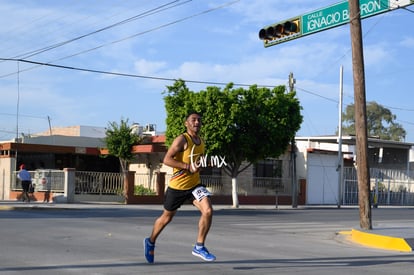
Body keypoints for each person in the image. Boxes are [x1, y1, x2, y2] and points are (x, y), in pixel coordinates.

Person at [143, 111, 216, 263]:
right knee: (166, 218)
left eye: (199, 120)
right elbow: (167, 159)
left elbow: (198, 164)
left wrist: (206, 164)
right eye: (193, 120)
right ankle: (150, 241)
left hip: (194, 185)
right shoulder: (182, 139)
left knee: (208, 210)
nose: (197, 122)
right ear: (186, 123)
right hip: (177, 187)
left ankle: (199, 246)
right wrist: (187, 167)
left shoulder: (201, 142)